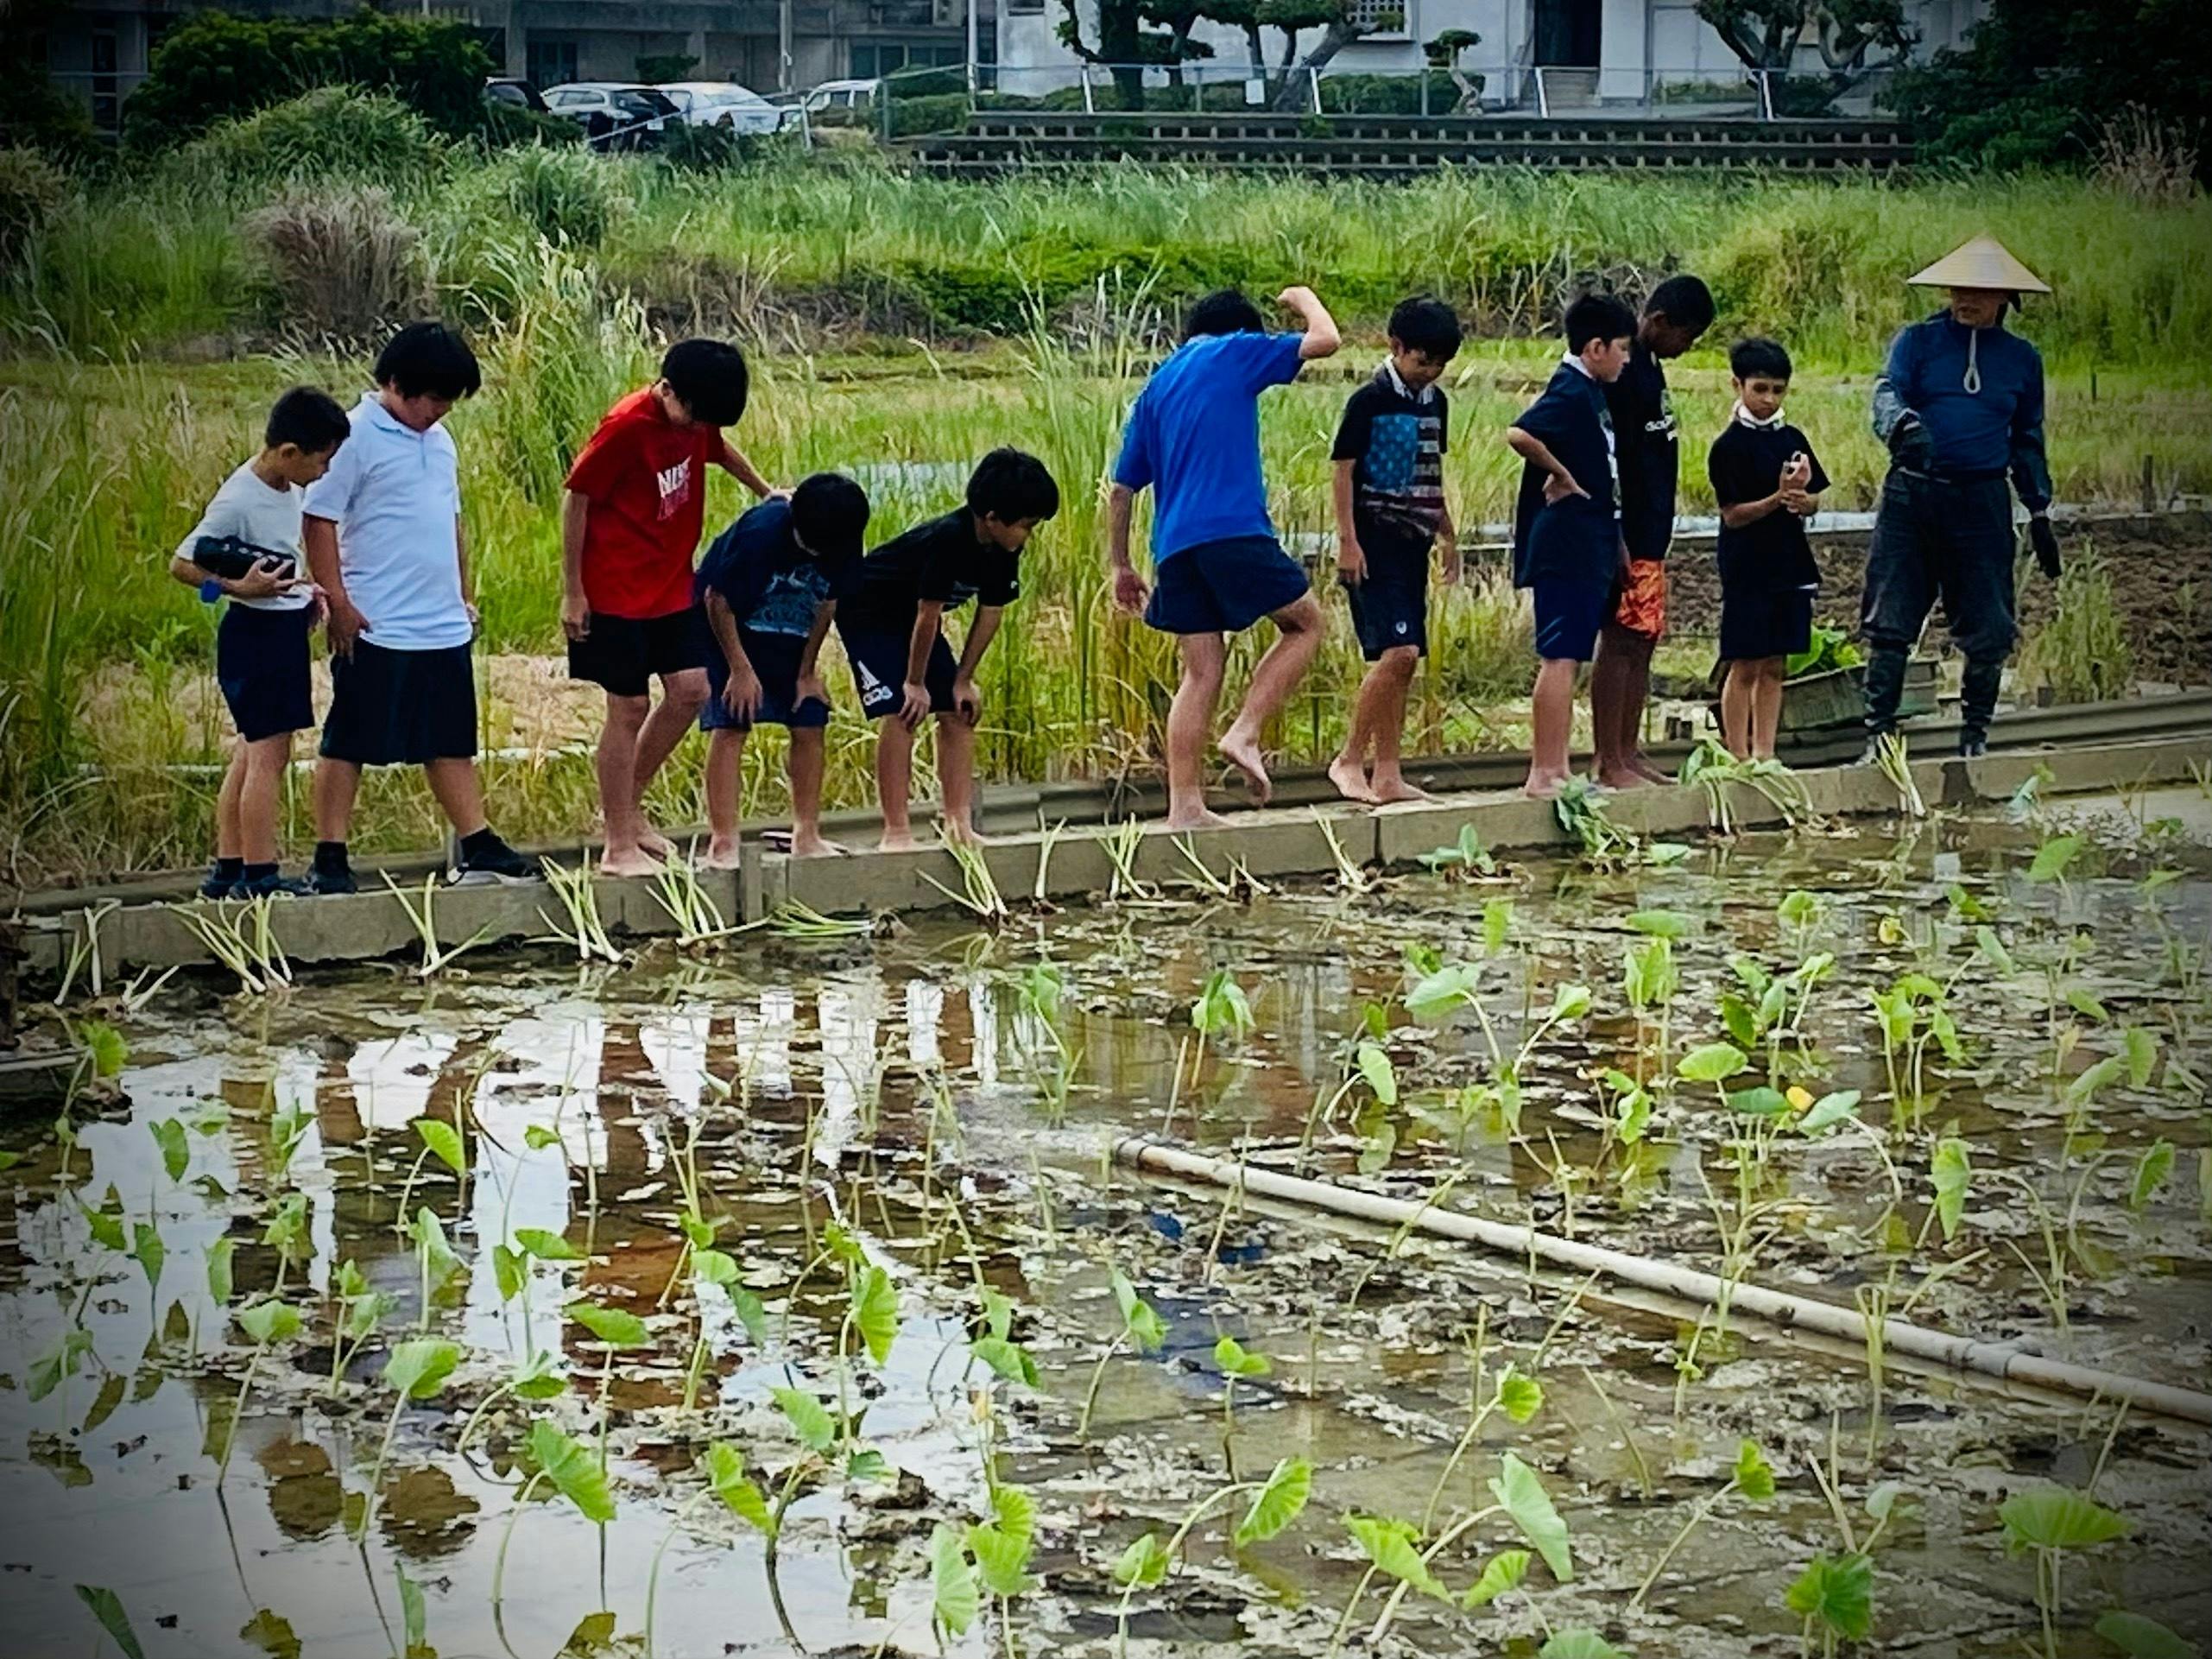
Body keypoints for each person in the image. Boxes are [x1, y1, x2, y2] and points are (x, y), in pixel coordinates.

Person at [303, 322, 534, 893]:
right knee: (349, 740)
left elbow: (450, 522)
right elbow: (318, 519)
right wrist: (338, 602)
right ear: (396, 384)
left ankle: (477, 842)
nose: (439, 412)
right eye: (432, 399)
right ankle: (329, 855)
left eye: (449, 402)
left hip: (440, 621)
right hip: (378, 621)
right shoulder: (354, 436)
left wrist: (463, 595)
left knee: (450, 739)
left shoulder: (441, 441)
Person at [1107, 286, 1342, 826]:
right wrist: (1302, 298)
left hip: (1174, 547)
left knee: (1201, 673)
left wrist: (1120, 564)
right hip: (1232, 529)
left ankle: (1185, 806)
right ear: (1240, 330)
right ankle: (1245, 732)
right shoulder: (1233, 349)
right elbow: (1325, 339)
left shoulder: (1156, 387)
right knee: (1305, 624)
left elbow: (1121, 491)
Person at [563, 339, 775, 876]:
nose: (696, 431)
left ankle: (627, 808)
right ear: (669, 390)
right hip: (614, 587)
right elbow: (577, 498)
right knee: (628, 708)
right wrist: (573, 590)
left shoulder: (696, 418)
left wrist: (765, 490)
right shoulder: (626, 426)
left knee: (691, 690)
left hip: (671, 584)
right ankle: (617, 846)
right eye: (693, 419)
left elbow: (720, 450)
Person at [1864, 237, 2061, 759]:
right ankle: (1879, 736)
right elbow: (1886, 392)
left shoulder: (2021, 360)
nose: (1965, 299)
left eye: (1979, 290)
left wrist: (2039, 508)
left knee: (1989, 623)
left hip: (1982, 500)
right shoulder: (1918, 342)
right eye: (1958, 289)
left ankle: (1975, 738)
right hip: (1914, 493)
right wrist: (1902, 426)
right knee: (1891, 617)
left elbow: (2027, 437)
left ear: (2005, 299)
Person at [170, 387, 353, 899]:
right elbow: (181, 565)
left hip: (282, 629)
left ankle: (229, 867)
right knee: (270, 759)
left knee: (251, 754)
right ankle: (260, 875)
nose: (325, 472)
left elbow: (280, 555)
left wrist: (305, 592)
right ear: (289, 452)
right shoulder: (239, 498)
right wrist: (232, 588)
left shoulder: (288, 488)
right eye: (322, 461)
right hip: (256, 637)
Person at [835, 448, 1059, 850]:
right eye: (1026, 526)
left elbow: (990, 613)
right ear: (991, 518)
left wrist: (963, 679)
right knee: (903, 710)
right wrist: (914, 682)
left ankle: (958, 825)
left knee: (958, 712)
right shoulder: (949, 538)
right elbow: (928, 614)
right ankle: (896, 831)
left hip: (914, 618)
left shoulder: (1005, 549)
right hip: (868, 610)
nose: (1028, 536)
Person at [1327, 295, 1463, 807]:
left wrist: (1447, 534)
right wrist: (1348, 541)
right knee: (1397, 653)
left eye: (1440, 364)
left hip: (1413, 541)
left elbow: (1430, 472)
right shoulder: (1369, 400)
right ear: (1397, 347)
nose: (1430, 371)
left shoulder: (1435, 403)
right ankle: (1348, 759)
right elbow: (1343, 471)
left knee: (1406, 663)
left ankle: (1387, 772)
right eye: (1423, 360)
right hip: (1374, 540)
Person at [696, 472, 872, 864]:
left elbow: (827, 602)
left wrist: (807, 673)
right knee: (733, 721)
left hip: (791, 628)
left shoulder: (844, 535)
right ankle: (723, 842)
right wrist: (740, 670)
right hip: (727, 629)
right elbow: (717, 600)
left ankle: (806, 835)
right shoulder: (760, 534)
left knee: (809, 717)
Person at [1505, 292, 1638, 799]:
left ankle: (1559, 768)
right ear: (1595, 347)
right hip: (1565, 545)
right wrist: (1559, 474)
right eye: (1622, 349)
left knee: (1573, 654)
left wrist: (1616, 540)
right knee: (1560, 656)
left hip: (1592, 541)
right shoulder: (1569, 389)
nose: (1626, 360)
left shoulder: (1591, 392)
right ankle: (1544, 771)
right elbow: (1520, 433)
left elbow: (1604, 474)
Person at [1593, 273, 1714, 788]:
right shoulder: (1624, 371)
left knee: (1643, 639)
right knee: (1620, 640)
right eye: (1687, 336)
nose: (1687, 347)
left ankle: (1629, 750)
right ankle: (1608, 759)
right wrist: (1616, 531)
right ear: (1660, 321)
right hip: (1629, 529)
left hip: (1653, 532)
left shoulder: (1652, 366)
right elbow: (1608, 458)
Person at [1710, 338, 1829, 760]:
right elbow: (1732, 515)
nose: (1768, 399)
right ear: (1738, 385)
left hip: (1789, 562)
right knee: (1745, 662)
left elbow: (1814, 499)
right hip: (1747, 565)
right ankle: (1738, 754)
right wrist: (1777, 499)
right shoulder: (1728, 447)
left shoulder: (1792, 438)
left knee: (1776, 663)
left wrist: (1802, 500)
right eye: (1759, 389)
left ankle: (1765, 752)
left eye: (1778, 390)